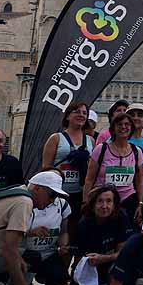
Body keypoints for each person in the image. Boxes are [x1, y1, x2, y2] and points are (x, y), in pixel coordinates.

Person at [66, 185, 133, 285]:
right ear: (92, 204)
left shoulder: (121, 217)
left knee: (121, 268)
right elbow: (79, 262)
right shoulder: (83, 224)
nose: (104, 206)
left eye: (109, 201)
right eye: (100, 201)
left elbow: (124, 253)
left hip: (111, 264)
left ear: (115, 204)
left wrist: (105, 258)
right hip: (88, 267)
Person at [42, 101, 95, 245]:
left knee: (74, 233)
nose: (81, 115)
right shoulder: (56, 138)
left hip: (79, 193)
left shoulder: (90, 140)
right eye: (77, 111)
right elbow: (46, 167)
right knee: (57, 230)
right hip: (59, 193)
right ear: (67, 116)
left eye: (84, 113)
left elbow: (93, 167)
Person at [85, 112, 143, 222]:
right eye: (119, 124)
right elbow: (89, 179)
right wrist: (85, 202)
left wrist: (140, 204)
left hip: (128, 199)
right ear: (113, 128)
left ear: (131, 128)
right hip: (103, 201)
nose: (123, 127)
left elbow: (139, 182)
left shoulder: (137, 151)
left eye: (127, 124)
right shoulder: (101, 149)